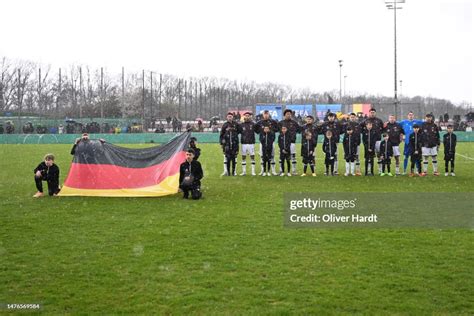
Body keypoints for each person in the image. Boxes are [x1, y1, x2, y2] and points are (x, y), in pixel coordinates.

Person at [360, 108, 384, 174]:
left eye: (373, 112)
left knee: (379, 154)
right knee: (369, 156)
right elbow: (360, 127)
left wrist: (379, 133)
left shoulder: (379, 120)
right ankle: (369, 170)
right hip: (369, 141)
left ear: (375, 113)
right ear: (369, 113)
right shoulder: (365, 120)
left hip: (378, 140)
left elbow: (383, 128)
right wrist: (364, 132)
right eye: (371, 112)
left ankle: (380, 170)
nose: (372, 113)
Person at [255, 110, 279, 175]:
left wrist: (271, 131)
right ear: (263, 115)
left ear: (269, 114)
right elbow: (256, 130)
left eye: (267, 114)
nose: (266, 115)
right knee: (262, 156)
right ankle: (262, 170)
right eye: (264, 114)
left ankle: (273, 171)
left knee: (272, 156)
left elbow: (277, 129)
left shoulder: (273, 122)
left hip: (271, 142)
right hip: (262, 142)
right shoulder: (259, 122)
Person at [278, 109, 301, 175]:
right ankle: (281, 170)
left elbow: (299, 130)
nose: (289, 115)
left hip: (292, 143)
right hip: (283, 143)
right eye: (287, 114)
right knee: (281, 157)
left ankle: (294, 171)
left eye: (290, 114)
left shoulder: (294, 123)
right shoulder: (280, 123)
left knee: (293, 156)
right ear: (284, 115)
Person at [239, 112, 257, 176]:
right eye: (246, 116)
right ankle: (244, 172)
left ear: (250, 117)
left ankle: (253, 172)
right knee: (243, 157)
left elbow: (257, 131)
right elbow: (238, 131)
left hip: (251, 143)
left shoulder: (253, 124)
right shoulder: (241, 125)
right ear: (244, 117)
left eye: (248, 116)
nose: (247, 117)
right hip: (243, 143)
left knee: (252, 157)